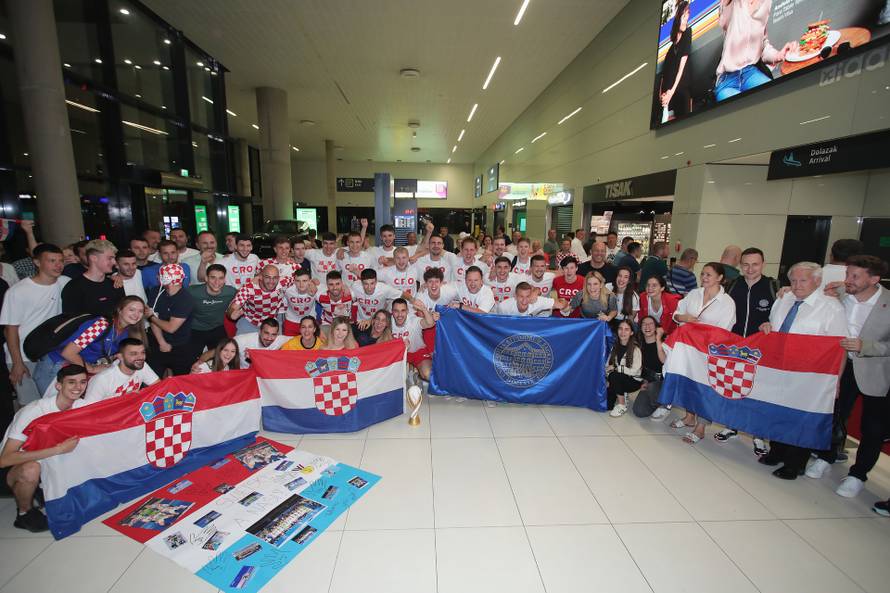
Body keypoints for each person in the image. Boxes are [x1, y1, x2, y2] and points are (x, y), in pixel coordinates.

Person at [807, 255, 890, 497]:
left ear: (874, 279)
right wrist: (785, 290)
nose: (848, 280)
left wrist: (867, 346)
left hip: (875, 371)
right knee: (834, 415)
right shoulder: (841, 293)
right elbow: (806, 292)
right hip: (841, 367)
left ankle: (858, 474)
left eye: (855, 276)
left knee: (872, 427)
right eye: (847, 274)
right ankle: (826, 456)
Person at [756, 262, 847, 480]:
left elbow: (839, 348)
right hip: (779, 369)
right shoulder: (784, 299)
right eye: (794, 280)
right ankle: (777, 451)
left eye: (803, 280)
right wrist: (765, 327)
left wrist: (836, 380)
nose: (797, 285)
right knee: (778, 412)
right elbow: (773, 324)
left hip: (810, 374)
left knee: (801, 419)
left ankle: (795, 463)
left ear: (817, 281)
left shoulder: (831, 307)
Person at [0, 364, 87, 532]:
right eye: (71, 382)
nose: (78, 387)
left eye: (82, 382)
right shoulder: (34, 411)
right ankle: (24, 513)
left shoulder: (81, 405)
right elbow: (5, 459)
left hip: (52, 462)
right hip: (17, 465)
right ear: (59, 386)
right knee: (31, 469)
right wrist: (58, 449)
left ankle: (43, 490)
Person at [717, 247, 778, 452]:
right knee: (733, 386)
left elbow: (782, 315)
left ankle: (758, 434)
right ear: (740, 265)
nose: (750, 269)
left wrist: (771, 323)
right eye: (746, 264)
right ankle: (731, 425)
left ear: (763, 264)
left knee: (757, 391)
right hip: (734, 347)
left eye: (755, 264)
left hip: (760, 350)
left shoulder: (773, 287)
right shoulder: (733, 285)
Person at [670, 262, 736, 443]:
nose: (704, 278)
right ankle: (689, 416)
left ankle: (701, 427)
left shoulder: (727, 302)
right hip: (689, 349)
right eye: (703, 274)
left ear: (720, 278)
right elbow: (676, 313)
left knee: (705, 388)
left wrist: (703, 333)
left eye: (709, 275)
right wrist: (684, 318)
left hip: (710, 353)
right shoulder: (693, 294)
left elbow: (724, 332)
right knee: (689, 384)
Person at [33, 295, 147, 395]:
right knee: (53, 413)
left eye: (140, 311)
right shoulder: (100, 325)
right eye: (131, 310)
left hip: (76, 370)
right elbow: (68, 353)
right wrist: (92, 368)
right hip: (55, 367)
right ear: (120, 310)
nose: (136, 314)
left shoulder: (126, 332)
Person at [1, 243, 69, 405]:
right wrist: (17, 363)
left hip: (53, 355)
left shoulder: (65, 282)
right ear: (37, 263)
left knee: (56, 403)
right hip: (24, 357)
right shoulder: (18, 291)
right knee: (31, 406)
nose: (58, 265)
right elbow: (10, 330)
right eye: (52, 261)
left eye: (61, 261)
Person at [714, 0, 796, 102]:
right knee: (741, 111)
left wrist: (779, 55)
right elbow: (723, 21)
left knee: (777, 99)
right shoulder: (733, 4)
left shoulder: (766, 3)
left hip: (750, 73)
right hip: (728, 79)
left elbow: (763, 45)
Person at [146, 264, 194, 377]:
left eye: (160, 275)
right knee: (152, 380)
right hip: (157, 342)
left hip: (179, 346)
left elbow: (171, 328)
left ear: (166, 279)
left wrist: (151, 317)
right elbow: (153, 320)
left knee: (181, 381)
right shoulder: (156, 291)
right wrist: (161, 342)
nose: (157, 277)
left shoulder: (185, 299)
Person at [61, 239, 125, 318]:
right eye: (109, 258)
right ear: (93, 258)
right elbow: (71, 321)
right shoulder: (74, 287)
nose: (114, 262)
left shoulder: (115, 284)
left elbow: (122, 314)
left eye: (114, 258)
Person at [82, 338, 159, 402]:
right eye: (134, 354)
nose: (140, 357)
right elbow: (89, 411)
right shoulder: (102, 379)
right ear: (120, 357)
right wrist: (123, 400)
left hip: (131, 414)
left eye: (143, 352)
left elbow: (159, 387)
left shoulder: (141, 366)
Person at [194, 318, 288, 370]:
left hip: (264, 376)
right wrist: (198, 364)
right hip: (243, 375)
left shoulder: (280, 340)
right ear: (259, 331)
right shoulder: (242, 340)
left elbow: (300, 339)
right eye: (266, 333)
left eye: (273, 334)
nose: (269, 338)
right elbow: (216, 351)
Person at [228, 264, 293, 334]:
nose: (271, 281)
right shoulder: (248, 289)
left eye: (275, 277)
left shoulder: (284, 282)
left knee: (279, 344)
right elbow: (233, 308)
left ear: (279, 278)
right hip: (250, 322)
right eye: (267, 277)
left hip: (271, 323)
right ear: (261, 277)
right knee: (241, 343)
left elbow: (299, 279)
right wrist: (232, 314)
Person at [187, 263, 236, 355]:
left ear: (225, 280)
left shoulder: (230, 291)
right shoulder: (192, 292)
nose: (217, 282)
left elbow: (246, 295)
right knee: (189, 360)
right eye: (213, 277)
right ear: (206, 278)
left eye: (221, 278)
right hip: (195, 329)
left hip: (217, 328)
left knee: (223, 356)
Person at [659, 0, 692, 121]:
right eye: (684, 16)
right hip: (668, 100)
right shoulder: (669, 51)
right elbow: (663, 77)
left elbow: (681, 69)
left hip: (680, 92)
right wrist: (662, 96)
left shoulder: (688, 32)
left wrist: (671, 92)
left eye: (687, 16)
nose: (686, 20)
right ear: (678, 17)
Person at [632, 316, 669, 418]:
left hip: (665, 381)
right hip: (650, 381)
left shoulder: (665, 342)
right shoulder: (639, 344)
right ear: (640, 327)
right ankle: (658, 402)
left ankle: (665, 405)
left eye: (651, 323)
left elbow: (664, 361)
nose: (647, 326)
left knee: (653, 388)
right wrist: (644, 381)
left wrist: (658, 339)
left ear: (656, 327)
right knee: (639, 411)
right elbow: (642, 368)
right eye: (644, 323)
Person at [391, 299, 436, 381]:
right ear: (392, 312)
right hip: (398, 355)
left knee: (428, 374)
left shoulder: (413, 320)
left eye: (403, 311)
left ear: (407, 311)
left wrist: (424, 309)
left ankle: (416, 372)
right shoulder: (388, 321)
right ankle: (410, 369)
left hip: (417, 352)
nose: (400, 315)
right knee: (396, 379)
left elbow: (430, 323)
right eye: (396, 311)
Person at [606, 319, 643, 417]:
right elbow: (607, 365)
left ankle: (622, 404)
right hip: (618, 377)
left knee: (615, 376)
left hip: (633, 381)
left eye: (626, 329)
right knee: (607, 405)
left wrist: (617, 368)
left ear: (631, 332)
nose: (623, 332)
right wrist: (606, 377)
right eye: (620, 329)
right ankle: (621, 392)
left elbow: (636, 371)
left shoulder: (635, 349)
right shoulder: (615, 346)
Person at [496, 282, 566, 317]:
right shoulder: (504, 306)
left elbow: (562, 304)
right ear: (515, 296)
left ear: (531, 296)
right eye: (521, 296)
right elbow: (500, 326)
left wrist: (564, 303)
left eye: (527, 296)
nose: (524, 300)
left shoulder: (537, 301)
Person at [282, 268, 319, 334]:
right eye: (298, 281)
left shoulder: (316, 289)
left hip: (309, 321)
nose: (301, 284)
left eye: (304, 281)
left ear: (310, 281)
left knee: (310, 344)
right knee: (288, 343)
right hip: (291, 321)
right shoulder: (287, 289)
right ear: (294, 281)